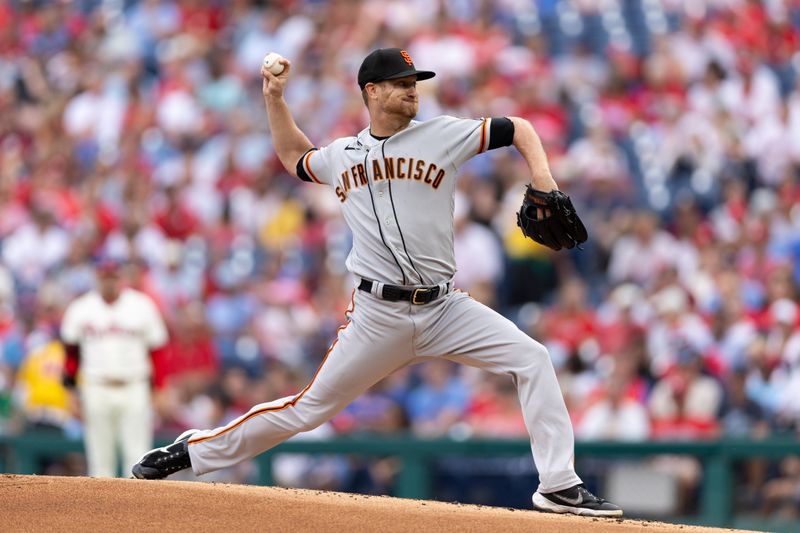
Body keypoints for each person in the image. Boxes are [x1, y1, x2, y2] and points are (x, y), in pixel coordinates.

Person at [132, 47, 622, 517]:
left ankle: (558, 485)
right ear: (372, 91)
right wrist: (274, 100)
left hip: (445, 308)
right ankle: (193, 452)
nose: (413, 91)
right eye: (401, 84)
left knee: (532, 357)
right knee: (307, 410)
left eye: (415, 83)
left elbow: (519, 128)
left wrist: (544, 181)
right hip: (377, 316)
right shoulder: (343, 153)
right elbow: (293, 155)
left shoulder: (442, 134)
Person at [61, 258, 168, 477]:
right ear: (97, 279)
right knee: (100, 458)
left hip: (134, 385)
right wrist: (71, 392)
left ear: (121, 278)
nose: (109, 282)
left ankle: (138, 508)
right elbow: (71, 354)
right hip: (96, 386)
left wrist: (159, 388)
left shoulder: (142, 305)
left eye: (113, 277)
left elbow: (157, 351)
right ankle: (102, 510)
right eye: (104, 277)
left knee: (138, 454)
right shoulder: (81, 308)